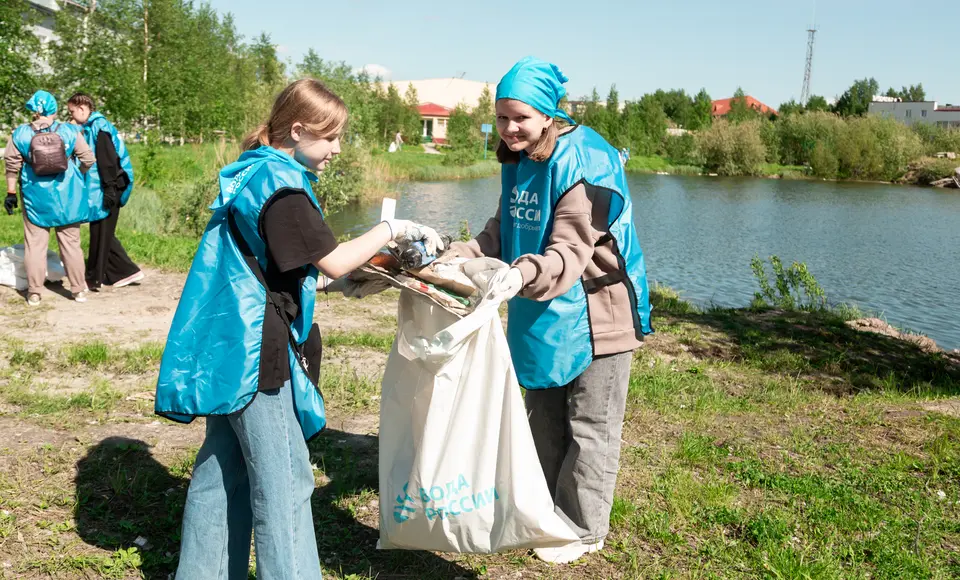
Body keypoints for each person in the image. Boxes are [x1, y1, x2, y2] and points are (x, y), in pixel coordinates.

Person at [154, 78, 442, 579]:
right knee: (285, 481)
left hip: (230, 342)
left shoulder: (254, 172)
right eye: (330, 137)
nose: (336, 149)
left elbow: (278, 266)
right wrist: (391, 229)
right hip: (255, 353)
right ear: (297, 129)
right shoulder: (283, 188)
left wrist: (347, 283)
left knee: (223, 473)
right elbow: (330, 261)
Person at [450, 57, 654, 564]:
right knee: (542, 416)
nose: (510, 127)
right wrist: (465, 253)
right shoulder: (519, 161)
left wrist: (517, 274)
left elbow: (568, 251)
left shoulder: (581, 163)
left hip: (597, 313)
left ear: (547, 114)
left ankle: (585, 529)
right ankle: (545, 510)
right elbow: (502, 228)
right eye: (501, 117)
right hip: (544, 310)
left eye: (520, 117)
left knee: (591, 425)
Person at [4, 90, 95, 305]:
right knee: (71, 244)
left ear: (34, 111)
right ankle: (79, 290)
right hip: (68, 197)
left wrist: (10, 194)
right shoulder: (70, 131)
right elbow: (88, 159)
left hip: (36, 197)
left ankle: (34, 293)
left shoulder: (20, 134)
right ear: (54, 109)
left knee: (35, 245)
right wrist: (77, 174)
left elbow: (11, 166)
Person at [66, 93, 144, 290]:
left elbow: (108, 162)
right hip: (106, 187)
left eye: (72, 112)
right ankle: (125, 272)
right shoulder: (94, 127)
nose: (71, 118)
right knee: (102, 231)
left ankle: (94, 278)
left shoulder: (99, 128)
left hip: (111, 186)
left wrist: (109, 190)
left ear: (83, 108)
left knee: (101, 232)